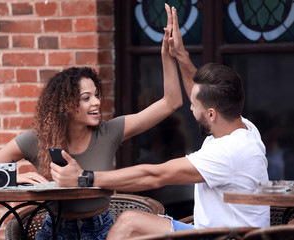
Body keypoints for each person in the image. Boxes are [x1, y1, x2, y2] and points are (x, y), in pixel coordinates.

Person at [0, 4, 182, 239]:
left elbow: (171, 102)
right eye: (86, 98)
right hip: (54, 231)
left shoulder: (110, 131)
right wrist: (16, 177)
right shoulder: (37, 139)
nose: (96, 102)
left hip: (103, 231)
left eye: (96, 95)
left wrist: (167, 55)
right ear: (65, 105)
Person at [49, 6, 270, 240]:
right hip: (212, 231)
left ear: (212, 114)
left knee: (128, 224)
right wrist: (181, 56)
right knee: (130, 222)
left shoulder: (227, 153)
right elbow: (205, 95)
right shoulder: (243, 127)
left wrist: (84, 177)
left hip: (225, 237)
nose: (191, 107)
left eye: (194, 106)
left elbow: (155, 176)